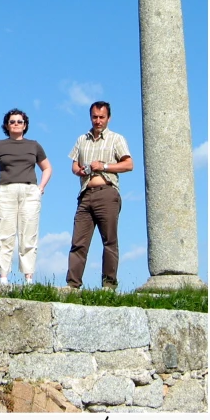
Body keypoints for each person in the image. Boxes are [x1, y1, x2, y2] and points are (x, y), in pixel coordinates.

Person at [0, 109, 52, 285]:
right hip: (5, 192)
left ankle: (28, 278)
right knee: (4, 234)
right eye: (12, 121)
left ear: (25, 125)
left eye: (19, 121)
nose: (16, 124)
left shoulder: (34, 145)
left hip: (29, 191)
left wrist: (41, 187)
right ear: (6, 125)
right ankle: (3, 277)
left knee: (29, 234)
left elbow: (47, 167)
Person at [66, 101, 133, 290]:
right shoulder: (82, 139)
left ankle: (108, 286)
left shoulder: (116, 139)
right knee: (78, 241)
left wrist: (103, 166)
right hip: (86, 193)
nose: (98, 121)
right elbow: (74, 166)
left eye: (101, 117)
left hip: (107, 192)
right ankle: (72, 285)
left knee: (109, 240)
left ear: (108, 118)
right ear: (90, 117)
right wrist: (81, 171)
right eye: (95, 117)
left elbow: (128, 164)